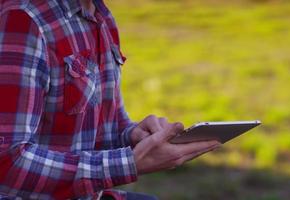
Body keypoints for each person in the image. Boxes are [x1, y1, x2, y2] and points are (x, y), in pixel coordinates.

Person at [0, 0, 221, 199]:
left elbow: (106, 126)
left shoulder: (101, 17)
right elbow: (7, 162)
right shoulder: (23, 20)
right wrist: (129, 164)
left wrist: (134, 135)